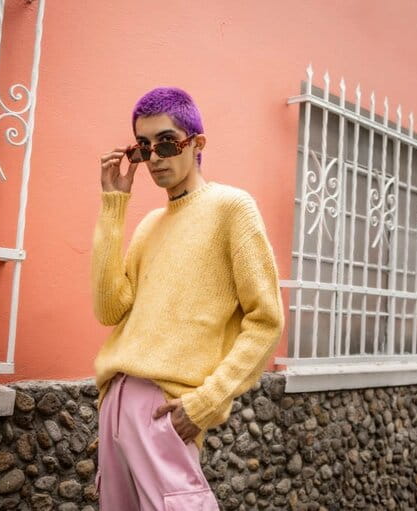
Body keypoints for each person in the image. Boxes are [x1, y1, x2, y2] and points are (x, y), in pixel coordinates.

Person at [91, 86, 285, 510]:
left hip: (165, 408)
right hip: (116, 399)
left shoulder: (232, 208)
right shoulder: (149, 225)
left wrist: (206, 403)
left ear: (197, 143)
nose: (154, 157)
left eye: (165, 142)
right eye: (143, 148)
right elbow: (109, 309)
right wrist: (114, 204)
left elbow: (266, 320)